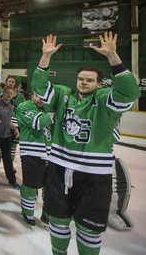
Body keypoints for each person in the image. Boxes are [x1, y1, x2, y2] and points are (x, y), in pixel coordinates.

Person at [30, 32, 140, 255]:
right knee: (58, 223)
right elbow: (39, 86)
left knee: (89, 230)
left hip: (94, 176)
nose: (84, 82)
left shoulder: (104, 101)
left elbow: (130, 92)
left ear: (99, 84)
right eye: (81, 79)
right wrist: (45, 58)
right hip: (59, 171)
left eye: (90, 80)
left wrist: (113, 56)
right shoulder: (63, 96)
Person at [16, 91, 55, 226]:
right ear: (31, 96)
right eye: (38, 95)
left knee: (49, 188)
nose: (40, 99)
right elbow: (38, 122)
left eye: (43, 96)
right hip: (31, 153)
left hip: (50, 154)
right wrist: (56, 113)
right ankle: (27, 212)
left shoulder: (46, 108)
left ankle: (47, 214)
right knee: (31, 185)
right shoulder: (24, 106)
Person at [0, 86, 21, 189]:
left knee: (8, 159)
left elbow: (8, 121)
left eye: (11, 93)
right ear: (3, 93)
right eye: (7, 93)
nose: (9, 95)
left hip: (6, 136)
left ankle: (12, 180)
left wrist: (14, 128)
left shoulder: (11, 106)